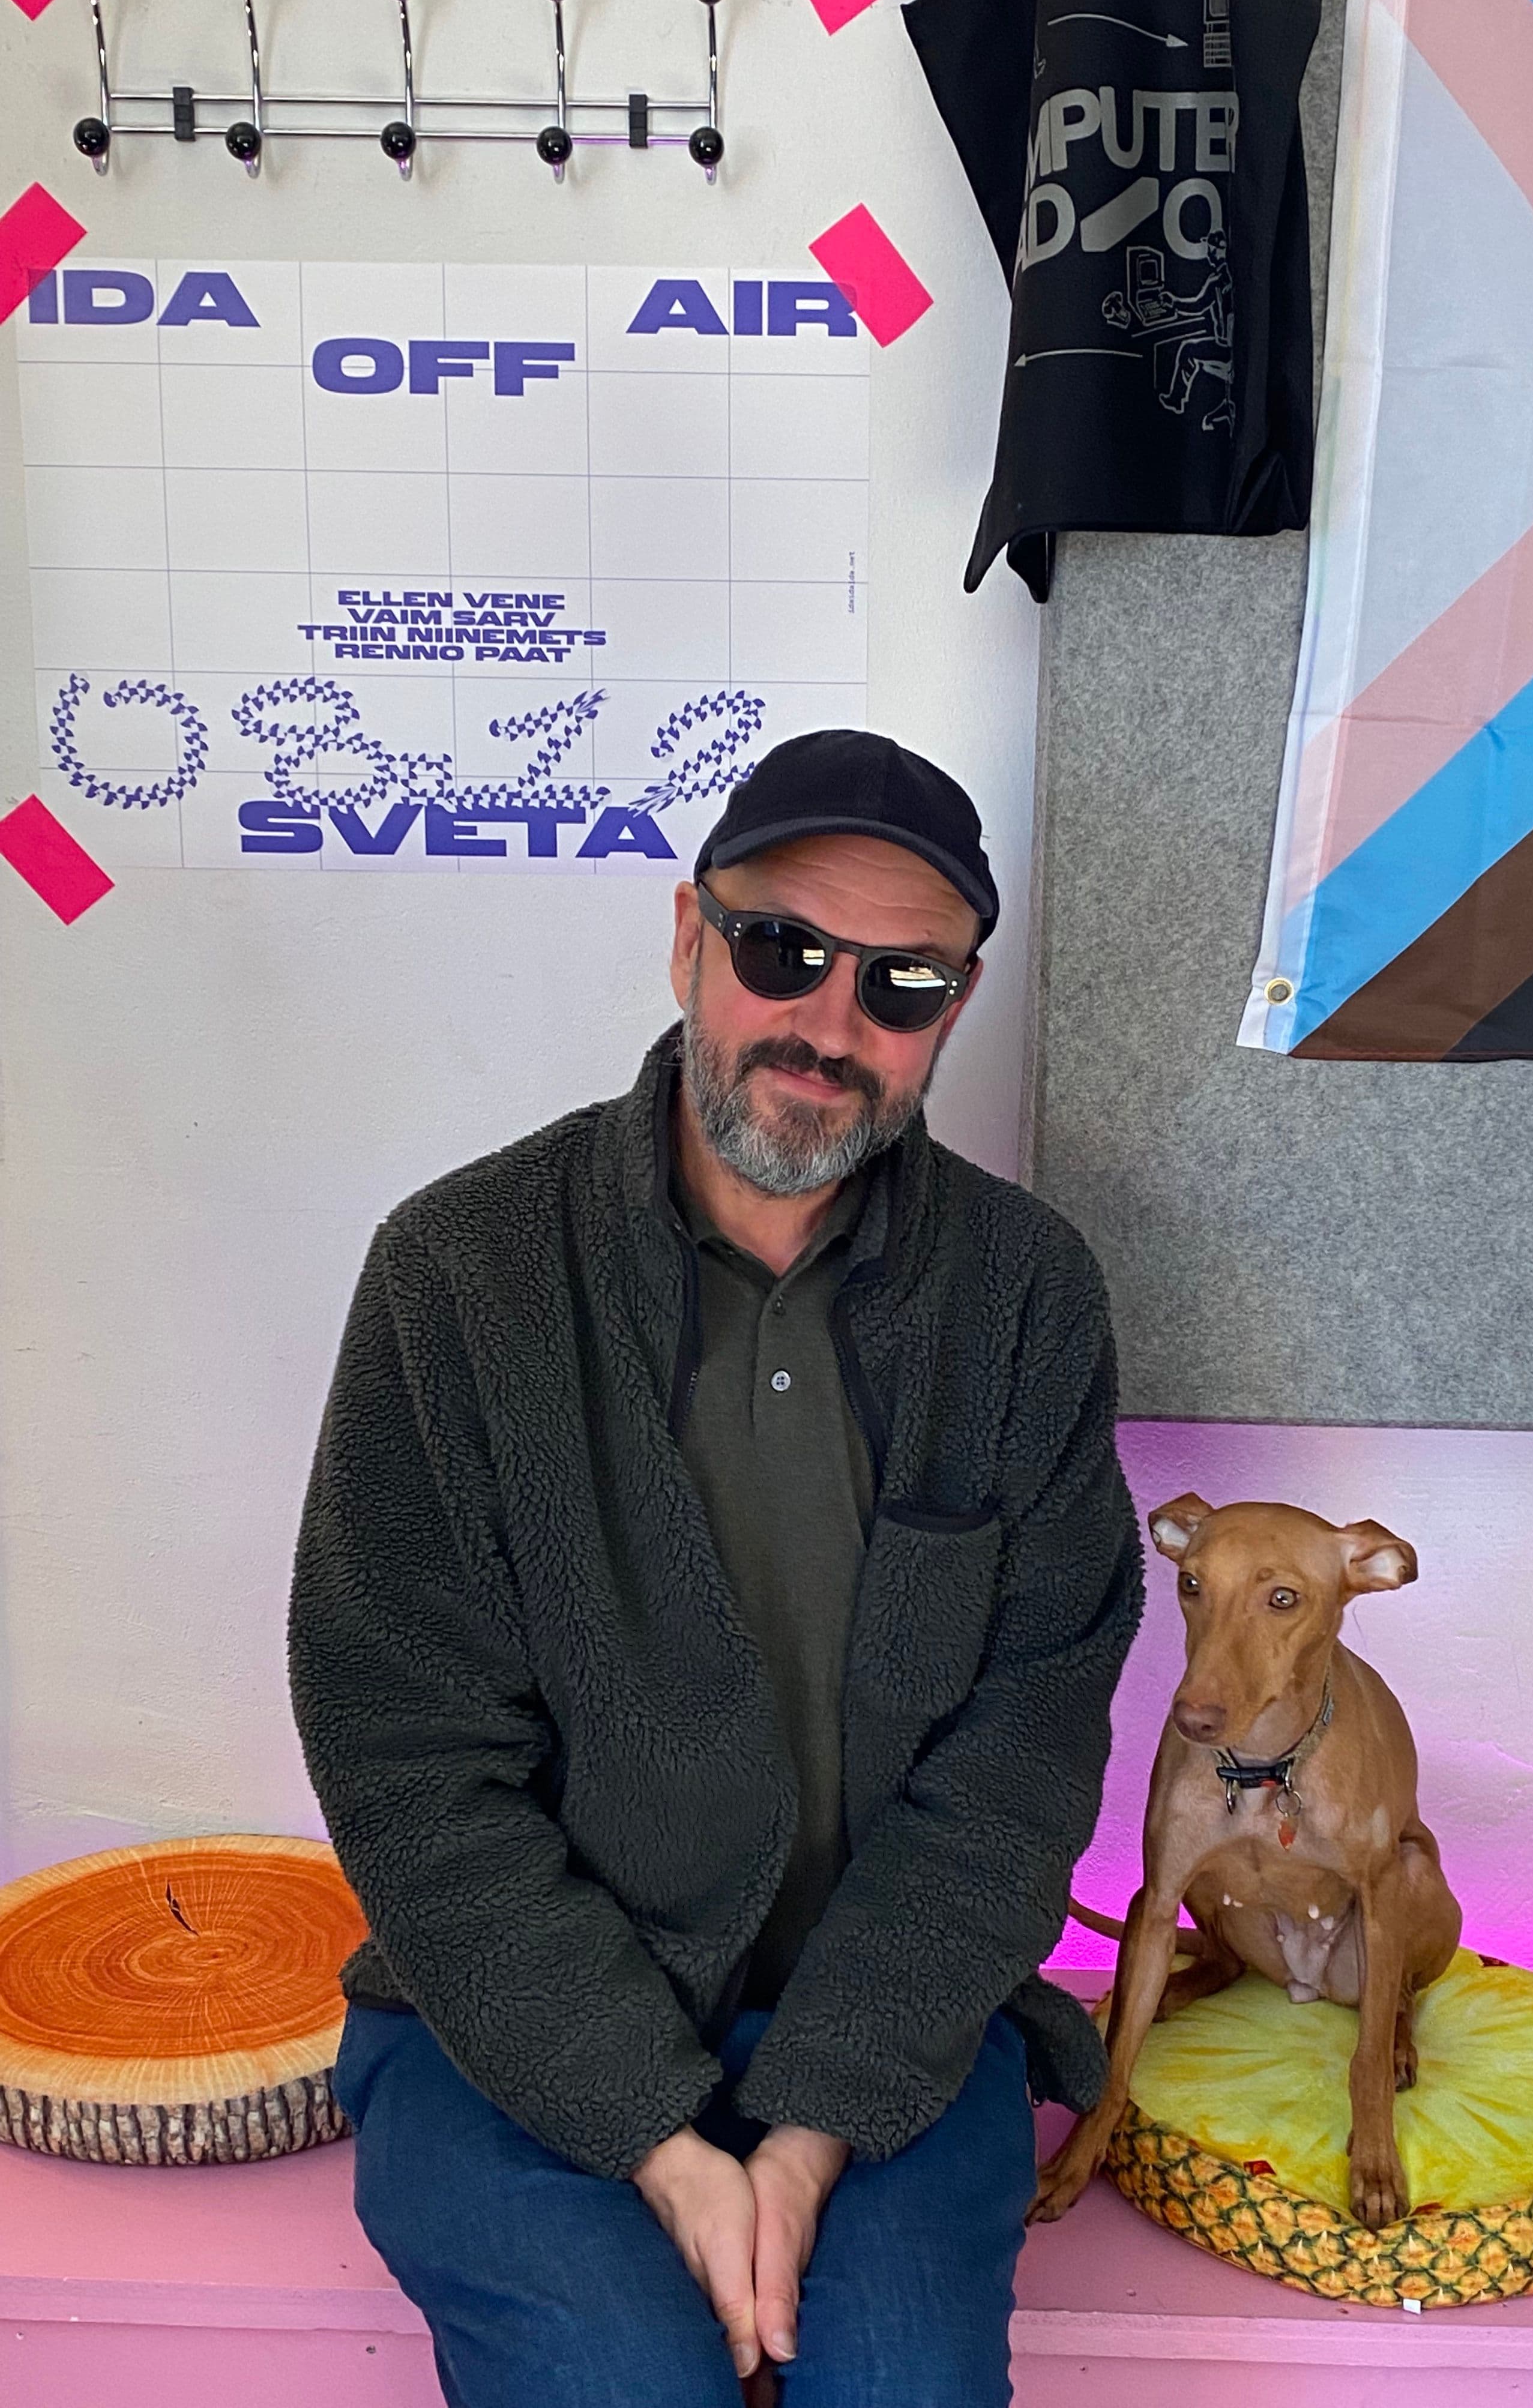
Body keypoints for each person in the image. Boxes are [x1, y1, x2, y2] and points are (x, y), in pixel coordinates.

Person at [288, 727, 1145, 2408]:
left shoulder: (1028, 1296)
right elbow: (409, 1761)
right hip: (508, 2020)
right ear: (691, 937)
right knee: (615, 2379)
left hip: (897, 2021)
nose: (830, 1022)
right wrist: (667, 2150)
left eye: (901, 983)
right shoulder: (461, 1275)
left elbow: (1023, 1759)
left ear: (954, 1010)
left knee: (900, 2385)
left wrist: (808, 2140)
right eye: (782, 950)